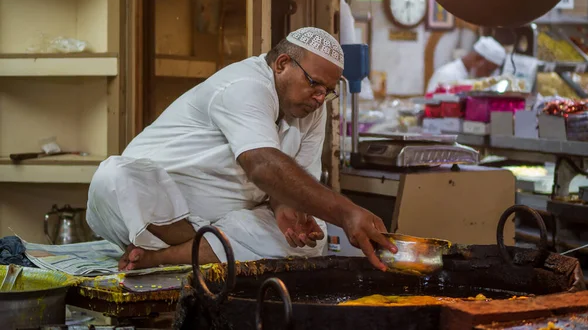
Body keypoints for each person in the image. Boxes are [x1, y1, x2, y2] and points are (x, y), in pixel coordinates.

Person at [87, 27, 396, 272]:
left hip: (228, 221)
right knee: (114, 177)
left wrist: (284, 207)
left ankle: (161, 259)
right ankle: (200, 251)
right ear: (282, 64)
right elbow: (262, 165)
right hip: (157, 217)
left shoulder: (313, 110)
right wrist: (346, 211)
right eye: (314, 84)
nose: (319, 98)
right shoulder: (245, 85)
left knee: (313, 239)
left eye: (327, 92)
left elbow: (294, 182)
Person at [426, 36, 506, 93]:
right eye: (489, 70)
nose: (488, 75)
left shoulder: (472, 76)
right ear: (478, 59)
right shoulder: (447, 75)